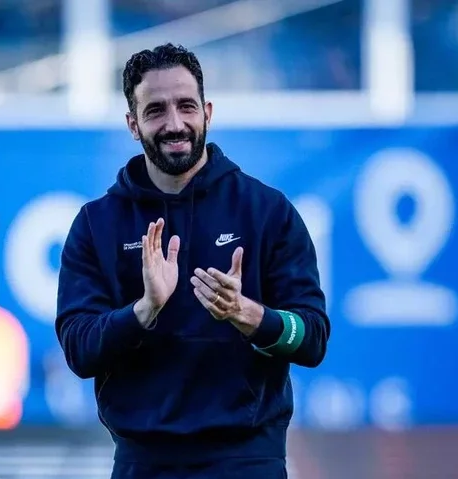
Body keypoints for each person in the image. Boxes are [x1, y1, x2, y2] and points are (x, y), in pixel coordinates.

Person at [55, 43, 331, 479]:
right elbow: (79, 349)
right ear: (132, 124)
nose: (175, 123)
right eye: (155, 110)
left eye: (186, 106)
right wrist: (143, 311)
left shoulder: (266, 211)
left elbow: (312, 338)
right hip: (142, 464)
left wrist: (249, 315)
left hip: (248, 461)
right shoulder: (96, 224)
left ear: (208, 112)